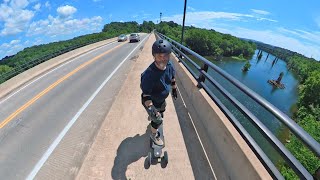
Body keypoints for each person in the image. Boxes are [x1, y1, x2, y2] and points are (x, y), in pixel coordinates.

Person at [140, 39, 178, 146]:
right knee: (157, 120)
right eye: (159, 56)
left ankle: (154, 117)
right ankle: (153, 135)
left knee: (162, 109)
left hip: (161, 98)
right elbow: (146, 96)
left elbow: (172, 77)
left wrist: (174, 88)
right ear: (154, 56)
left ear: (169, 55)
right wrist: (152, 110)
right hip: (150, 100)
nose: (162, 59)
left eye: (165, 56)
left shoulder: (169, 66)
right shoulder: (149, 75)